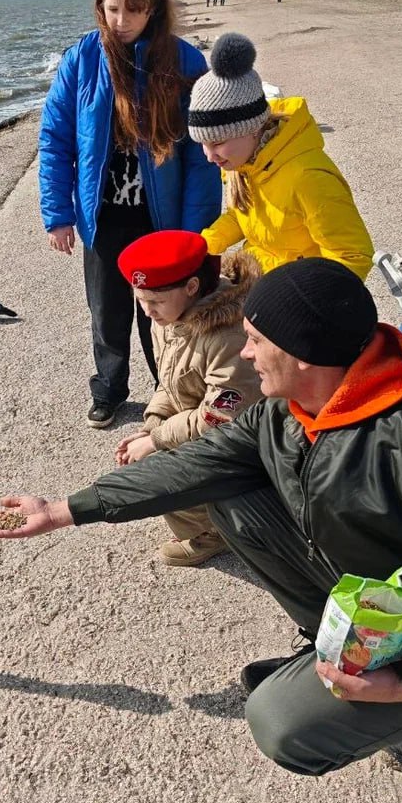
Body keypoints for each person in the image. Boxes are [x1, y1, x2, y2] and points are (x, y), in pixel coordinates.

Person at [0, 258, 402, 778]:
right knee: (230, 492)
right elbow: (200, 463)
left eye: (255, 340)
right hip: (372, 586)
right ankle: (329, 644)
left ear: (303, 354)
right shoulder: (292, 407)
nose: (245, 353)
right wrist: (64, 510)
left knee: (281, 726)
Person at [39, 0, 223, 430]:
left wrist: (195, 230)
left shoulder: (185, 62)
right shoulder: (80, 60)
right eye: (114, 8)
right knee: (107, 310)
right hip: (103, 218)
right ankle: (109, 388)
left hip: (161, 219)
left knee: (166, 315)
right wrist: (58, 214)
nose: (122, 21)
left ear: (154, 7)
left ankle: (174, 389)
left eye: (135, 10)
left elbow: (203, 157)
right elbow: (55, 140)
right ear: (100, 4)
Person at [113, 230, 262, 566]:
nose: (148, 311)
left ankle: (216, 530)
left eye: (155, 301)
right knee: (147, 456)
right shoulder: (172, 315)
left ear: (192, 287)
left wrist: (158, 440)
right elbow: (168, 380)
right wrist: (152, 422)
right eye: (140, 300)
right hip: (202, 424)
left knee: (158, 468)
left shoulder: (229, 335)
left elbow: (219, 415)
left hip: (242, 437)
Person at [189, 33, 373, 279]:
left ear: (252, 128)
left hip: (297, 295)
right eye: (203, 144)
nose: (210, 157)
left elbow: (353, 257)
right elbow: (241, 213)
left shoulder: (308, 178)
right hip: (260, 278)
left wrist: (303, 305)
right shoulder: (242, 162)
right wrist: (205, 244)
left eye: (217, 142)